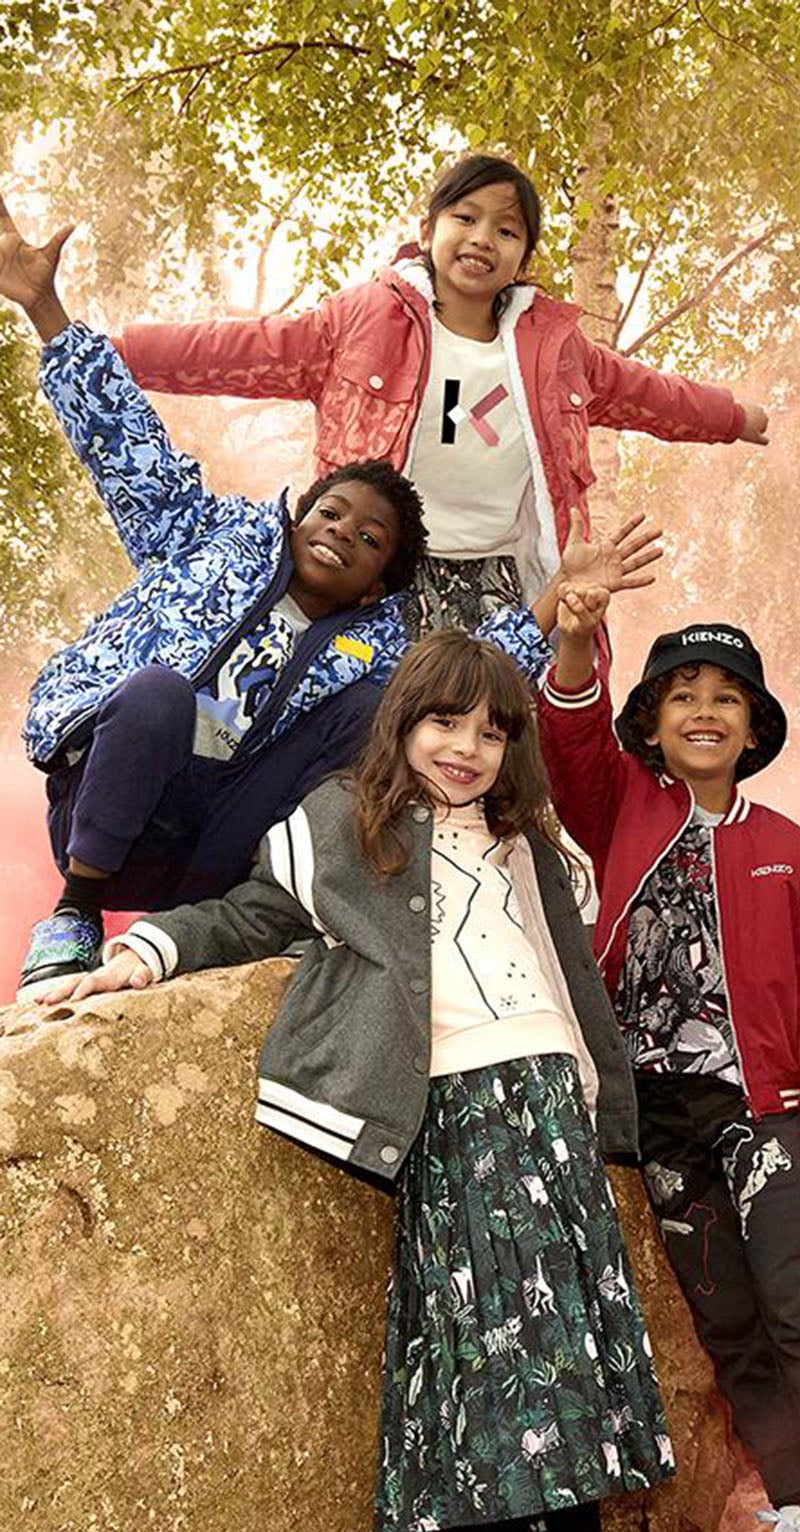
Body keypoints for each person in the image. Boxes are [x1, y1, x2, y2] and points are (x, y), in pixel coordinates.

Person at [38, 627, 703, 1532]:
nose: (468, 748)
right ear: (402, 724)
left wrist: (608, 1131)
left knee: (579, 1411)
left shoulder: (532, 845)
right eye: (445, 721)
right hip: (460, 1122)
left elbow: (575, 982)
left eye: (492, 730)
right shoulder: (343, 827)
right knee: (510, 1405)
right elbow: (245, 918)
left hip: (556, 1122)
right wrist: (138, 957)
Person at [0, 195, 654, 996]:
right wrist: (45, 309)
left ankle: (252, 915)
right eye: (332, 513)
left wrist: (555, 596)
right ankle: (73, 914)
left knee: (385, 711)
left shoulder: (375, 644)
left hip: (219, 838)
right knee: (158, 693)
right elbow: (123, 446)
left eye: (370, 539)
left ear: (379, 580)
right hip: (114, 806)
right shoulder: (212, 542)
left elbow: (467, 684)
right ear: (299, 516)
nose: (342, 533)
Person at [537, 588, 800, 1532]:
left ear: (754, 729)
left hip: (764, 1113)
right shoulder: (622, 808)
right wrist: (575, 638)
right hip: (660, 1120)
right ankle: (797, 1517)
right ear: (652, 725)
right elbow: (568, 740)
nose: (704, 710)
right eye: (682, 695)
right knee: (729, 1322)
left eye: (727, 698)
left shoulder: (788, 846)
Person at [111, 151, 767, 638]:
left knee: (487, 738)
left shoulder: (554, 350)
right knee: (372, 737)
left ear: (523, 258)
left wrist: (733, 416)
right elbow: (245, 348)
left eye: (507, 231)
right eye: (466, 217)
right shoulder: (365, 319)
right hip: (381, 574)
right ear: (427, 231)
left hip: (501, 580)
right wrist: (116, 353)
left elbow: (646, 392)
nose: (483, 238)